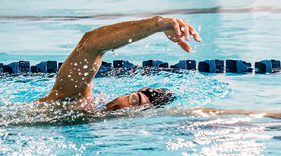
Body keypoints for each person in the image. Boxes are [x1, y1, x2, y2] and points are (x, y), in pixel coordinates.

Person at [36, 15, 201, 111]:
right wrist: (156, 24)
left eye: (137, 110)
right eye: (134, 100)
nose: (128, 109)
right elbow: (90, 44)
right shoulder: (76, 101)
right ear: (124, 94)